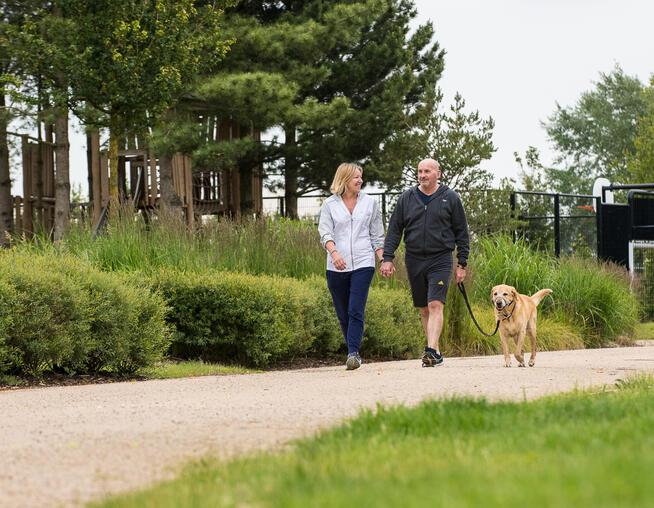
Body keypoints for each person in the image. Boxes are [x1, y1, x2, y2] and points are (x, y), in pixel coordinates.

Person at [380, 158, 469, 367]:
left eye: (427, 171)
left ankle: (429, 350)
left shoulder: (451, 198)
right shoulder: (407, 198)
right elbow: (394, 230)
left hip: (441, 258)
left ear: (438, 173)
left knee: (435, 303)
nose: (422, 175)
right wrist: (388, 258)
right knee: (423, 308)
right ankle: (435, 351)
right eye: (419, 171)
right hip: (414, 258)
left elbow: (462, 233)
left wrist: (462, 263)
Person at [318, 163, 385, 370]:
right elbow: (325, 233)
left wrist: (383, 259)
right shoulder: (329, 205)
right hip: (336, 266)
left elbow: (377, 235)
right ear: (344, 179)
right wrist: (334, 253)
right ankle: (352, 350)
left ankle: (353, 353)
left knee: (356, 308)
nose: (360, 180)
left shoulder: (370, 203)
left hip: (364, 262)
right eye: (356, 177)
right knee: (342, 312)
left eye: (361, 177)